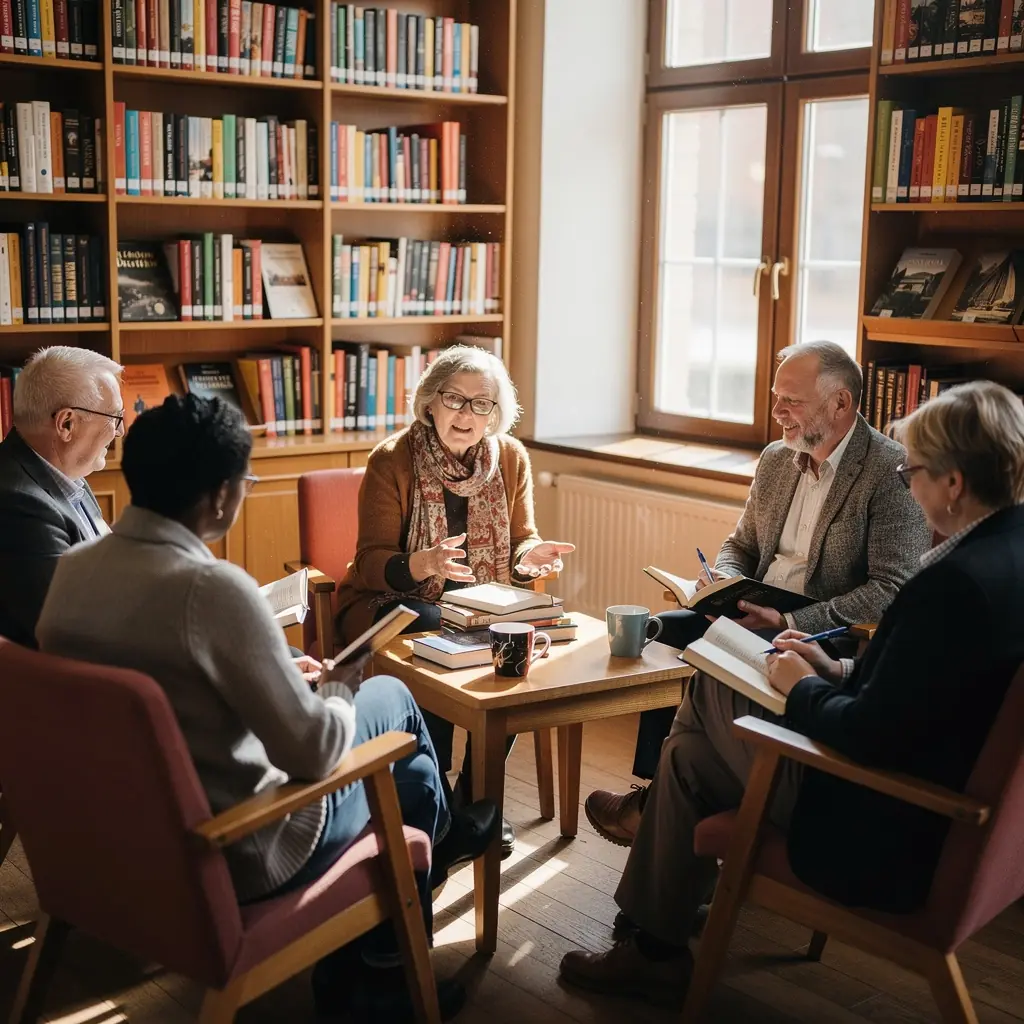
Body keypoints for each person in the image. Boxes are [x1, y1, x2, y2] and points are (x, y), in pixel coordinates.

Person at [558, 380, 1024, 1007]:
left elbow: (868, 734)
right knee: (689, 760)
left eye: (915, 472)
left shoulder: (950, 587)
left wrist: (803, 687)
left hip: (881, 823)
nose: (910, 486)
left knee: (712, 687)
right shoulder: (1004, 556)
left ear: (955, 484)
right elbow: (926, 696)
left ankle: (650, 926)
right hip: (939, 803)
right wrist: (833, 672)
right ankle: (652, 940)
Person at [36, 395, 498, 1021]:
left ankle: (411, 888)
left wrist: (276, 676)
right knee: (389, 702)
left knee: (409, 776)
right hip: (241, 849)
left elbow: (166, 692)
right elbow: (312, 753)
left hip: (114, 842)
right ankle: (393, 943)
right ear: (224, 496)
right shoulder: (212, 590)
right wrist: (339, 685)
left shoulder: (72, 573)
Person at [586, 340, 931, 846]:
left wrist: (789, 623)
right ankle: (654, 786)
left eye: (791, 400)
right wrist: (720, 581)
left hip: (816, 634)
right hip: (750, 607)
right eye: (775, 398)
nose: (776, 413)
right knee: (656, 636)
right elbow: (741, 544)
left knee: (709, 655)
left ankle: (655, 804)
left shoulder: (888, 469)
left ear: (841, 404)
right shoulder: (776, 459)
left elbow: (891, 589)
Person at [334, 345, 575, 857]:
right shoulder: (392, 459)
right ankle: (437, 798)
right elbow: (371, 560)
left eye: (481, 403)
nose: (466, 414)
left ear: (496, 413)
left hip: (482, 604)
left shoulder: (510, 458)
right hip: (394, 600)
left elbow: (521, 540)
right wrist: (423, 564)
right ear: (430, 403)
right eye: (454, 399)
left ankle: (474, 791)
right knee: (431, 626)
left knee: (517, 643)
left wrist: (532, 558)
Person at [0, 346, 123, 648]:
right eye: (114, 418)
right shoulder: (20, 504)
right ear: (66, 424)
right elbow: (68, 632)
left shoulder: (64, 470)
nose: (118, 432)